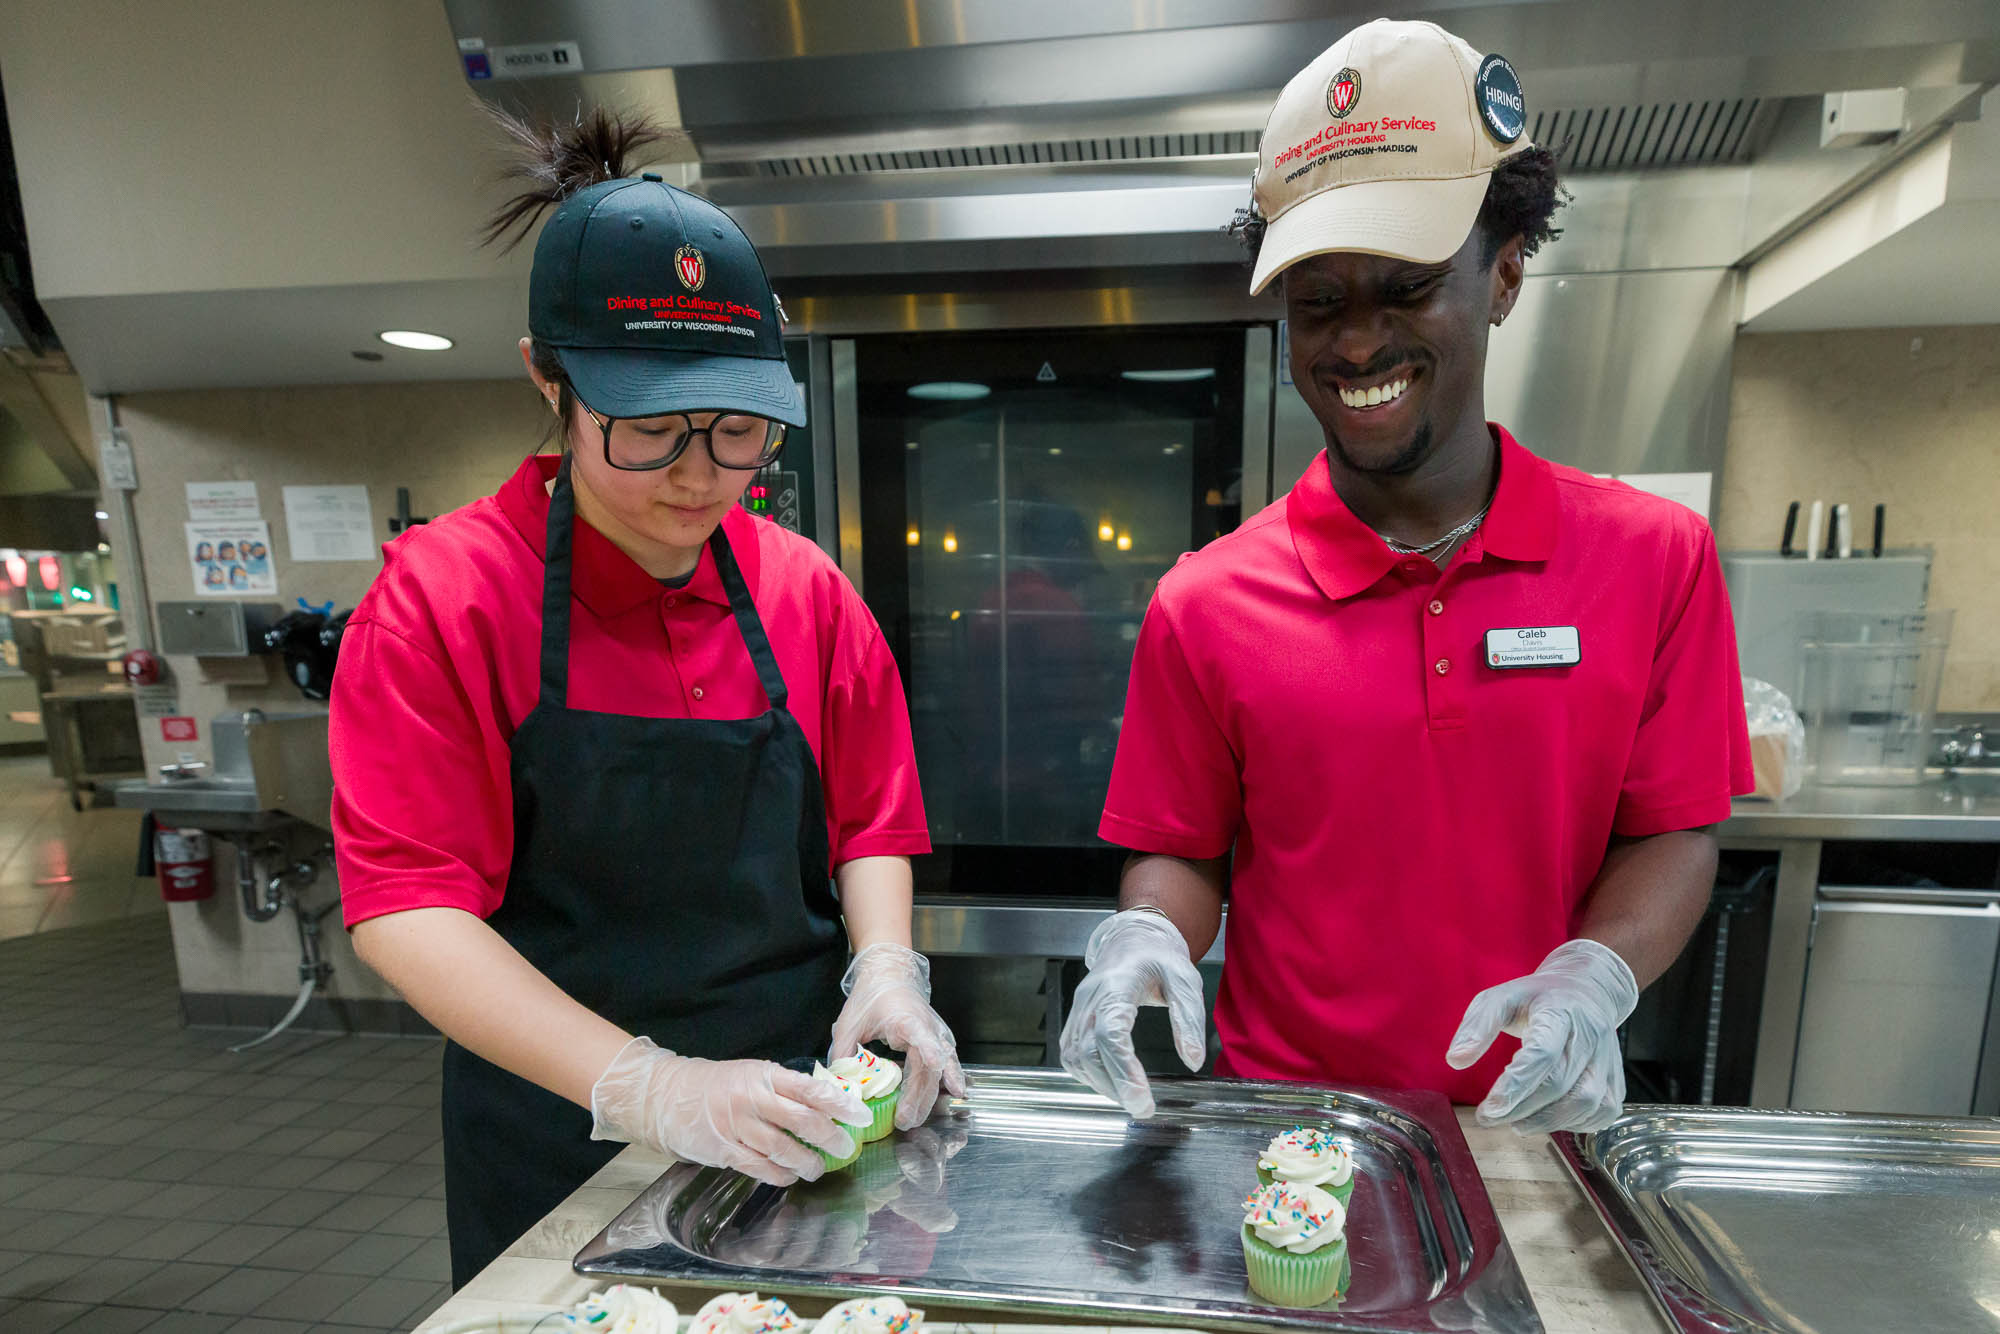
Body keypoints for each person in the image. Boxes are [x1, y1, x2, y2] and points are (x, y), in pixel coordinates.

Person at [1060, 19, 1751, 1134]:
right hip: (1281, 1132)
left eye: (1406, 286)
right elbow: (1181, 851)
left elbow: (1669, 830)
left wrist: (1594, 978)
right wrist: (1140, 938)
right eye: (1317, 301)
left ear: (1505, 274)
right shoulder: (1205, 601)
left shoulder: (1651, 557)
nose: (1356, 343)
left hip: (1533, 1122)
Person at [329, 107, 964, 1287]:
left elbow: (872, 819)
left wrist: (886, 971)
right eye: (650, 429)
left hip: (799, 1116)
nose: (696, 475)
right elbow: (407, 905)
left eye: (734, 431)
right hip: (558, 1135)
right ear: (547, 377)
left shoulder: (804, 588)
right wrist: (649, 1085)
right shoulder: (446, 598)